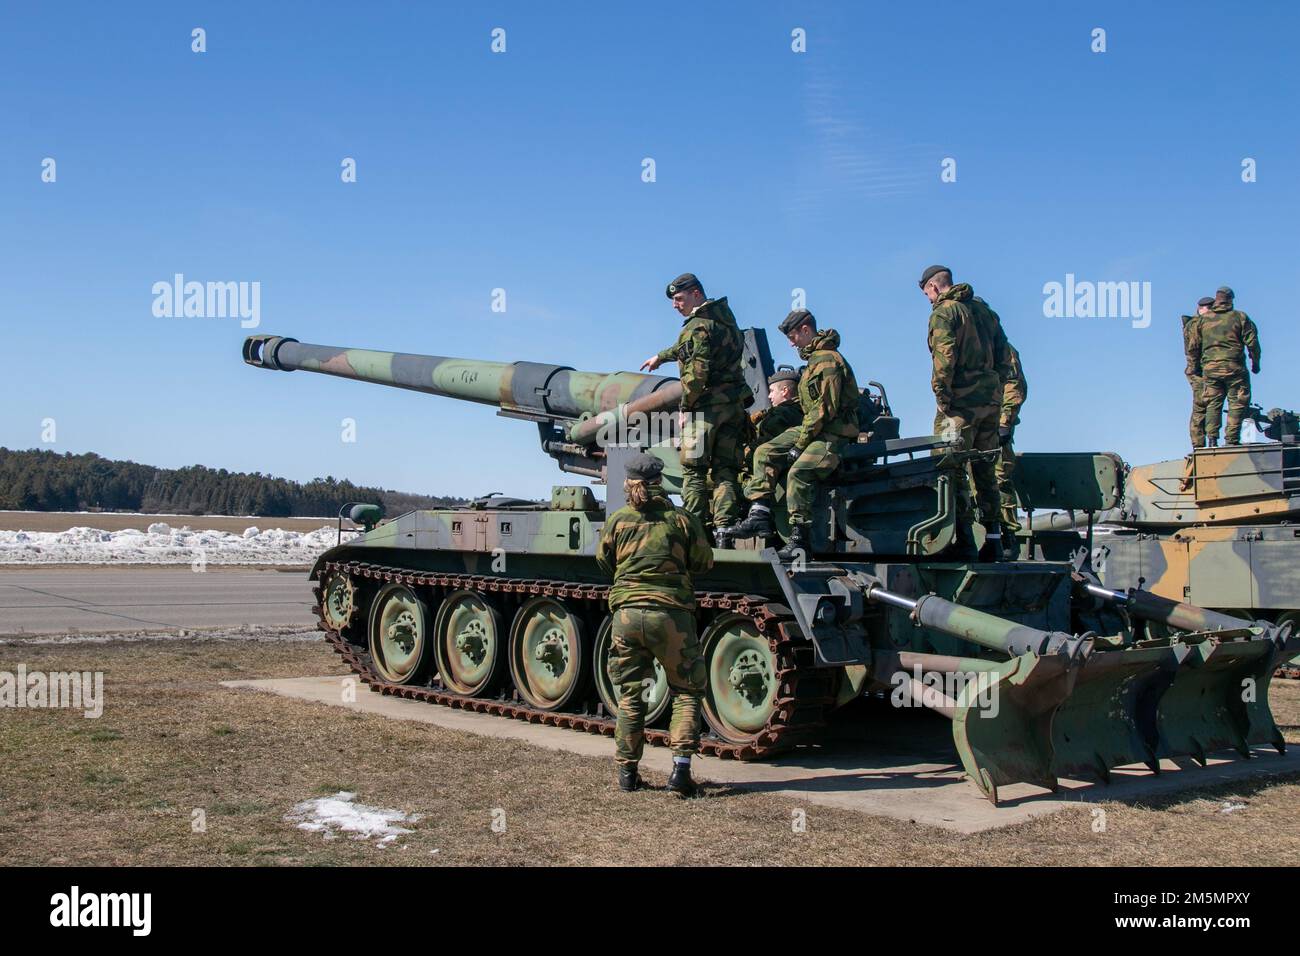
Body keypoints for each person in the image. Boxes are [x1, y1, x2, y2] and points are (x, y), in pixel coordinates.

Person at [595, 452, 713, 797]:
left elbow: (604, 562)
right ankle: (680, 773)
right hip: (671, 617)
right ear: (660, 481)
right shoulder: (681, 520)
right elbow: (703, 561)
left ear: (628, 482)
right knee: (687, 690)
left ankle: (628, 775)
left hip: (627, 617)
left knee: (631, 695)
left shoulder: (618, 521)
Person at [723, 310, 859, 561]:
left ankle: (799, 540)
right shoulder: (814, 361)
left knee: (799, 472)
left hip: (834, 432)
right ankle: (760, 515)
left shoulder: (827, 360)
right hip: (815, 428)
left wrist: (801, 443)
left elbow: (824, 409)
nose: (791, 342)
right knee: (764, 451)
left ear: (806, 330)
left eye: (793, 335)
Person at [640, 274, 750, 536]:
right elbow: (687, 348)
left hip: (705, 411)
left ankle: (695, 533)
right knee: (726, 471)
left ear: (696, 294)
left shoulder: (696, 326)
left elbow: (696, 374)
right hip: (733, 408)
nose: (675, 305)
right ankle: (724, 530)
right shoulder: (725, 321)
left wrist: (685, 409)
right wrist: (662, 357)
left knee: (693, 471)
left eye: (679, 299)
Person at [919, 265, 1011, 561]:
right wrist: (993, 389)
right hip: (990, 402)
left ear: (933, 287)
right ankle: (994, 540)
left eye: (926, 294)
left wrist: (943, 396)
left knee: (948, 465)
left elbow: (944, 358)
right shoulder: (985, 312)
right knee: (985, 468)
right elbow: (1004, 357)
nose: (928, 299)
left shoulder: (944, 312)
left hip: (960, 405)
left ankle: (964, 541)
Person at [1189, 286, 1261, 445]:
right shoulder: (1240, 317)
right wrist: (1255, 363)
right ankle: (1232, 440)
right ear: (1230, 300)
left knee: (1213, 403)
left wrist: (1194, 367)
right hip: (1235, 368)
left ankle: (1212, 439)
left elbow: (1193, 346)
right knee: (1237, 402)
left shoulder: (1202, 320)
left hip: (1210, 370)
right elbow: (1252, 343)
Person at [742, 366, 804, 481]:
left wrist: (743, 457)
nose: (769, 396)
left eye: (772, 391)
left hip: (764, 472)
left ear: (785, 391)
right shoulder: (805, 413)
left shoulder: (780, 414)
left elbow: (762, 444)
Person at [995, 341, 1027, 559]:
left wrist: (1005, 422)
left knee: (999, 478)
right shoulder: (964, 346)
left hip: (994, 426)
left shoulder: (1000, 347)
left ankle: (1007, 535)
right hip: (967, 424)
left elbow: (1015, 385)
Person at [1182, 296, 1215, 448]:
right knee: (1201, 407)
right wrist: (1196, 370)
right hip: (1199, 372)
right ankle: (1199, 446)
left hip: (1206, 371)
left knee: (1210, 406)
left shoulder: (1202, 323)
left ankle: (1207, 442)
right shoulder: (1195, 324)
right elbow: (1193, 350)